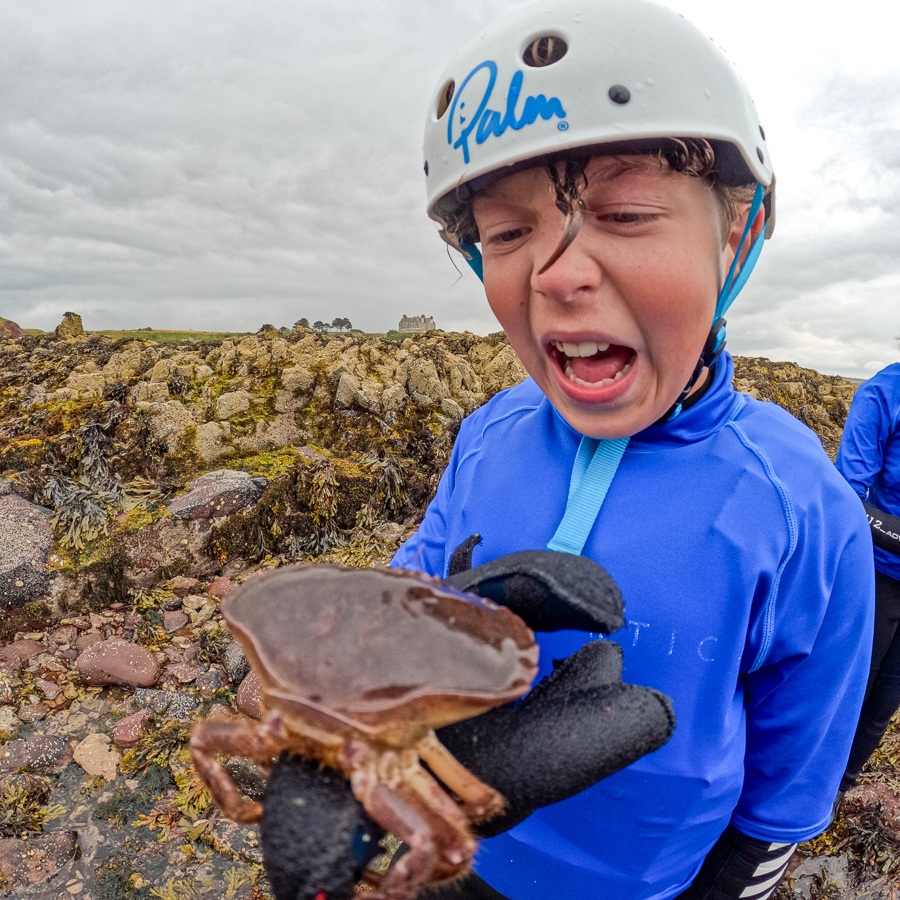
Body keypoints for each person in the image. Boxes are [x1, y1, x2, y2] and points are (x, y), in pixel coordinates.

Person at [259, 1, 875, 897]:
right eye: (508, 234)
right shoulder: (488, 437)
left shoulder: (801, 506)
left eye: (624, 213)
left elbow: (799, 764)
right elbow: (408, 589)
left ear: (737, 234)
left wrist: (730, 883)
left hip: (658, 882)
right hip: (463, 851)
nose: (557, 272)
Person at [836, 353, 900, 798]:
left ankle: (841, 788)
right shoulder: (882, 393)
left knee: (884, 703)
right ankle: (805, 787)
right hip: (876, 572)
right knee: (849, 690)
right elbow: (847, 497)